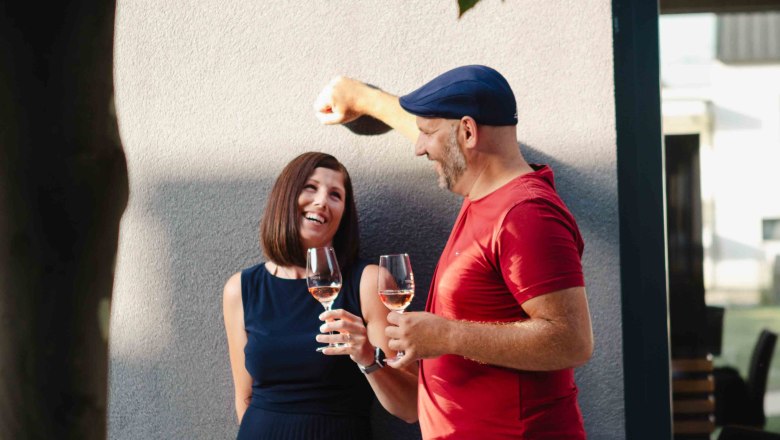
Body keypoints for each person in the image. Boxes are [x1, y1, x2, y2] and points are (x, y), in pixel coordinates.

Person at [314, 65, 594, 439]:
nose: (418, 146)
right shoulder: (485, 192)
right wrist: (362, 98)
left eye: (428, 134)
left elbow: (572, 341)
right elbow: (426, 127)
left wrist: (446, 336)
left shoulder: (525, 214)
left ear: (467, 132)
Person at [222, 152, 417, 439]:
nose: (322, 201)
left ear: (342, 216)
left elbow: (410, 407)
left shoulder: (368, 281)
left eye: (335, 195)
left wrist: (368, 358)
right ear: (285, 197)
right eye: (311, 188)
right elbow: (245, 399)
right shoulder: (240, 288)